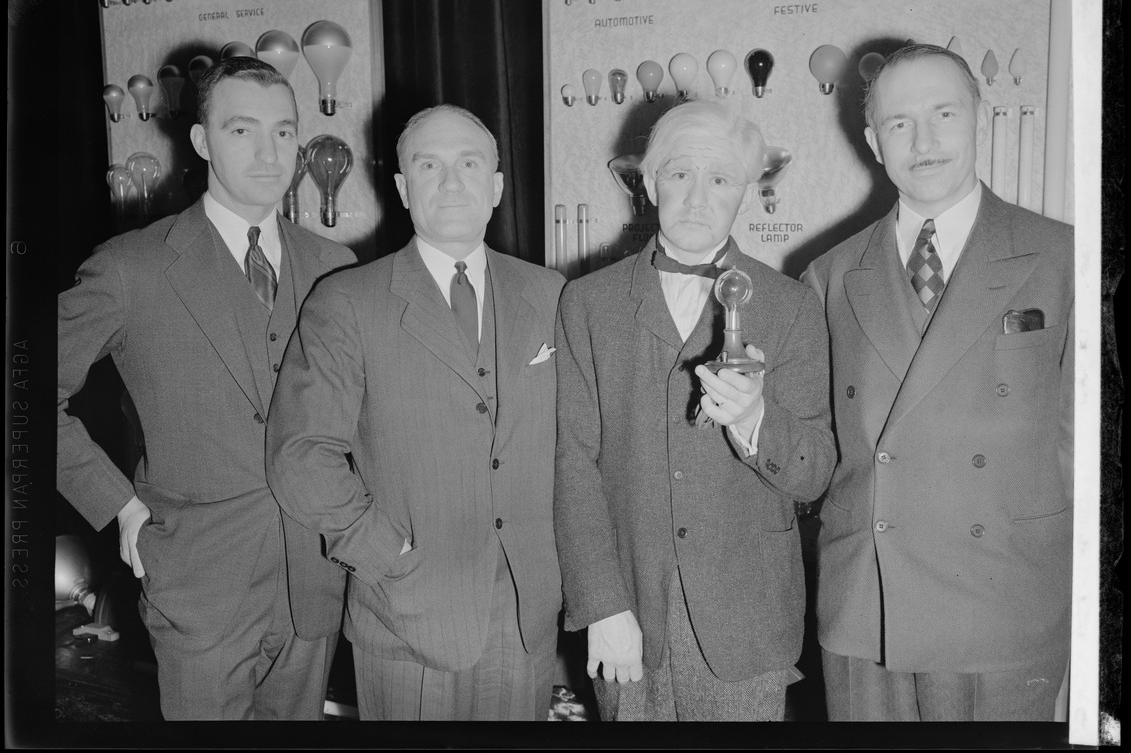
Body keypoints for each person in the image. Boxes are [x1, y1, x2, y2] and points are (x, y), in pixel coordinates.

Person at [57, 57, 357, 719]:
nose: (267, 151)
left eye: (283, 132)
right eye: (242, 129)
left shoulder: (337, 269)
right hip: (197, 585)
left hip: (313, 583)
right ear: (201, 141)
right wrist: (120, 507)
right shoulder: (131, 267)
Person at [265, 104, 565, 721]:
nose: (451, 182)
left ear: (498, 185)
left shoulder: (552, 295)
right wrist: (387, 556)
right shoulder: (347, 301)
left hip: (524, 618)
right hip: (404, 619)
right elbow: (300, 456)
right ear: (402, 188)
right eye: (428, 166)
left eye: (469, 163)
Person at [803, 43, 1074, 721]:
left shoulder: (1065, 257)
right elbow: (814, 452)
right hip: (869, 609)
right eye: (899, 123)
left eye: (943, 114)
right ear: (872, 141)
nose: (923, 141)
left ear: (976, 118)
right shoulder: (828, 275)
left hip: (1002, 601)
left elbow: (1085, 448)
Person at [554, 98, 836, 721]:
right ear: (650, 183)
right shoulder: (588, 304)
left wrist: (757, 419)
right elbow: (573, 464)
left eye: (721, 179)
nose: (698, 197)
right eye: (680, 173)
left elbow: (816, 470)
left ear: (745, 192)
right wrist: (601, 604)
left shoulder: (792, 307)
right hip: (629, 613)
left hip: (748, 625)